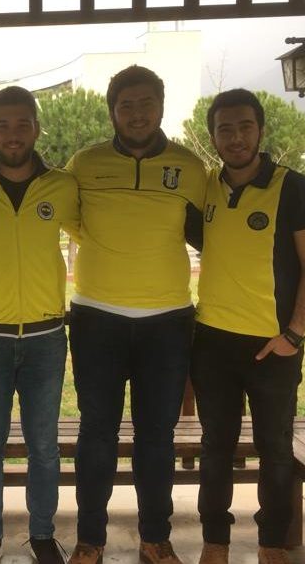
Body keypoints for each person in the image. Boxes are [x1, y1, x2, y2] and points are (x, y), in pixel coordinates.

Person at [65, 65, 208, 564]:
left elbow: (208, 233)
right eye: (126, 105)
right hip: (96, 319)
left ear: (161, 107)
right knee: (96, 435)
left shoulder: (190, 167)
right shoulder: (84, 164)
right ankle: (91, 540)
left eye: (146, 103)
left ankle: (155, 538)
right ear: (112, 112)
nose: (137, 113)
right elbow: (72, 220)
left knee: (157, 438)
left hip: (167, 323)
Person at [0, 86, 79, 564]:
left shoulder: (62, 186)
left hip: (46, 336)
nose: (13, 133)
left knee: (44, 445)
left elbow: (93, 233)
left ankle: (42, 534)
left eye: (23, 123)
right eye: (3, 124)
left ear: (36, 128)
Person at [192, 88, 305, 564]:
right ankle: (215, 541)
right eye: (224, 129)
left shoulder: (294, 187)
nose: (236, 137)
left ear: (260, 131)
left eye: (245, 126)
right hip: (212, 343)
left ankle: (271, 542)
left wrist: (293, 335)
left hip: (273, 346)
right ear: (213, 136)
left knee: (275, 448)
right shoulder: (204, 187)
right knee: (216, 447)